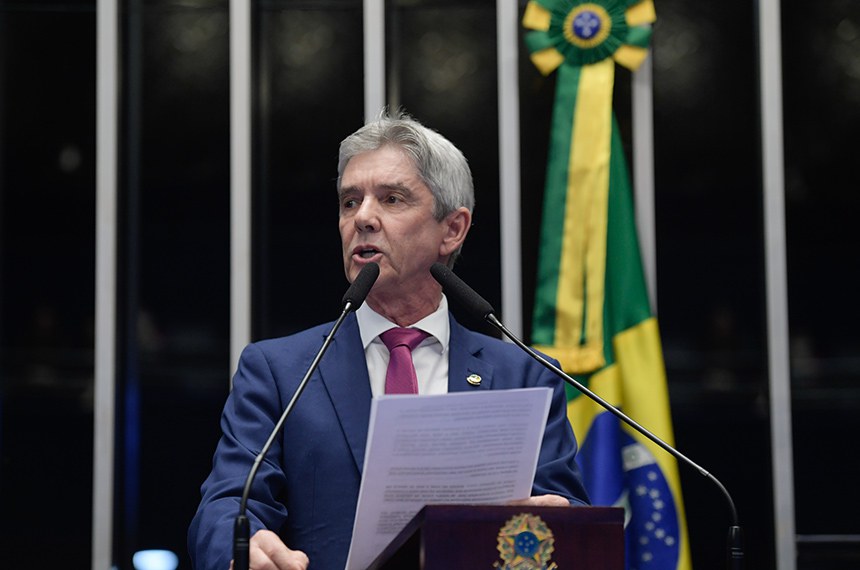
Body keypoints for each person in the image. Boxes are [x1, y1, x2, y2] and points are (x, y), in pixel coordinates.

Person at [188, 111, 590, 570]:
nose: (362, 218)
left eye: (392, 199)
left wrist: (556, 533)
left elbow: (569, 520)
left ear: (453, 229)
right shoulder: (280, 371)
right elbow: (226, 509)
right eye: (349, 202)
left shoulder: (524, 375)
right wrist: (246, 545)